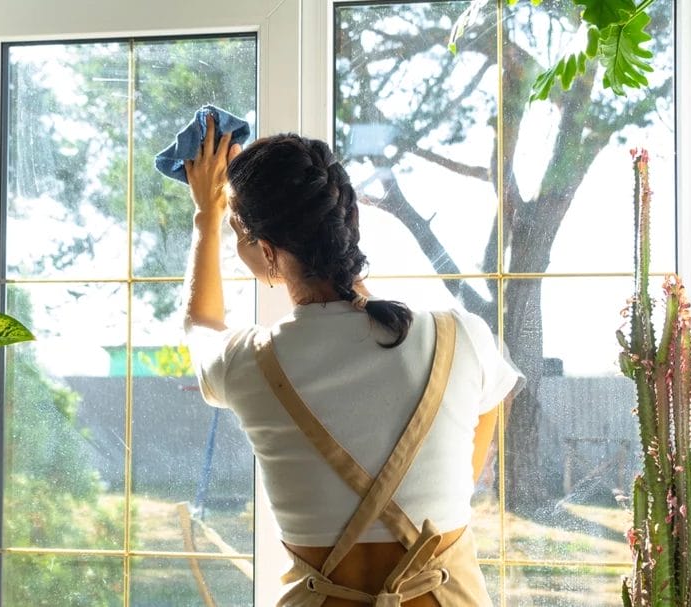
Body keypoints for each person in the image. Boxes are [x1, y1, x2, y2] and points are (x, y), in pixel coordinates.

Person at [182, 116, 522, 607]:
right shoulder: (459, 336)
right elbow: (492, 400)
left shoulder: (248, 363)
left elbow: (200, 327)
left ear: (269, 251)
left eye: (240, 235)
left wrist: (206, 217)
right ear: (346, 222)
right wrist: (442, 494)